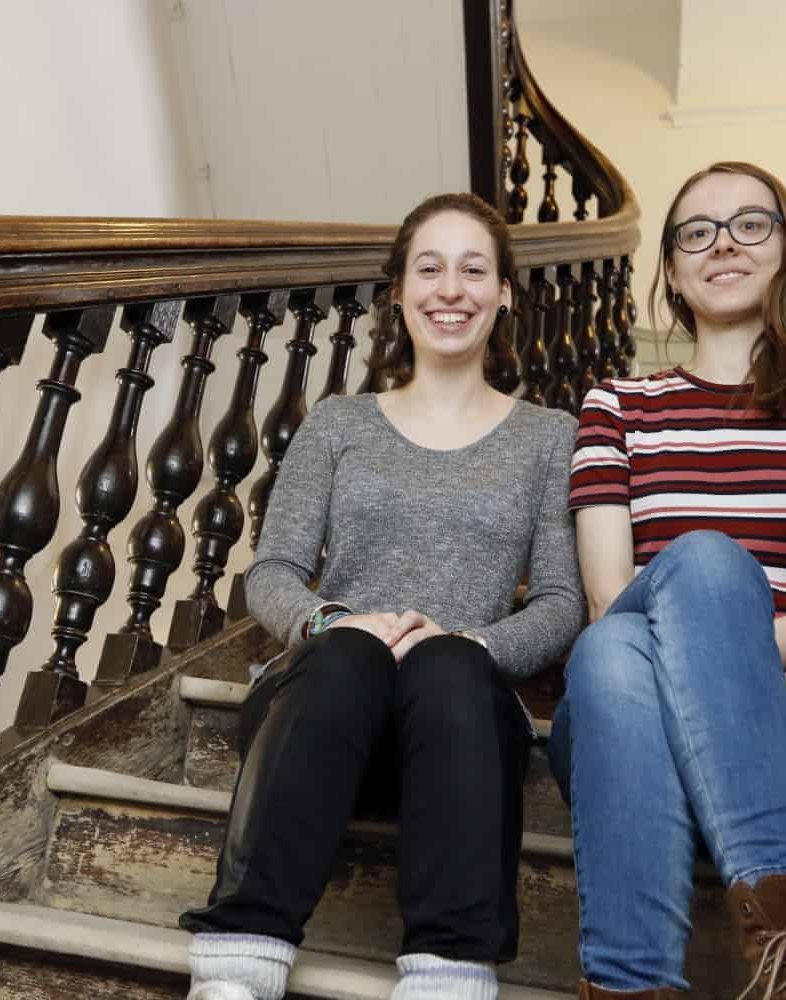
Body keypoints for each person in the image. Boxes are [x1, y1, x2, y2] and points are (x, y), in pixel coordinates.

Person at [179, 192, 584, 1000]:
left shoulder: (550, 437)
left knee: (446, 667)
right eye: (428, 269)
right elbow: (272, 572)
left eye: (475, 270)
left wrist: (473, 646)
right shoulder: (338, 424)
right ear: (397, 291)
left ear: (505, 292)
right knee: (353, 654)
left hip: (460, 734)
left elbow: (562, 601)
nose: (451, 289)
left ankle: (449, 979)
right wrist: (335, 620)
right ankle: (235, 971)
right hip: (321, 716)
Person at [554, 162, 786, 999]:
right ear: (674, 273)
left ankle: (628, 983)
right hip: (623, 745)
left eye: (751, 224)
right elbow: (613, 603)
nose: (723, 243)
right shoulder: (614, 406)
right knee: (642, 619)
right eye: (697, 231)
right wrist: (760, 675)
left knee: (627, 648)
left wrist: (734, 675)